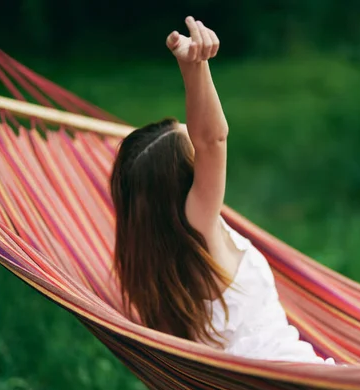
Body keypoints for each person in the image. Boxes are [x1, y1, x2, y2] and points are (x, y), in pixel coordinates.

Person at [110, 17, 334, 365]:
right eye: (193, 152)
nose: (202, 155)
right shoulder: (198, 225)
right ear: (187, 186)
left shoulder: (152, 259)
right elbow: (212, 139)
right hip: (293, 379)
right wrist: (194, 67)